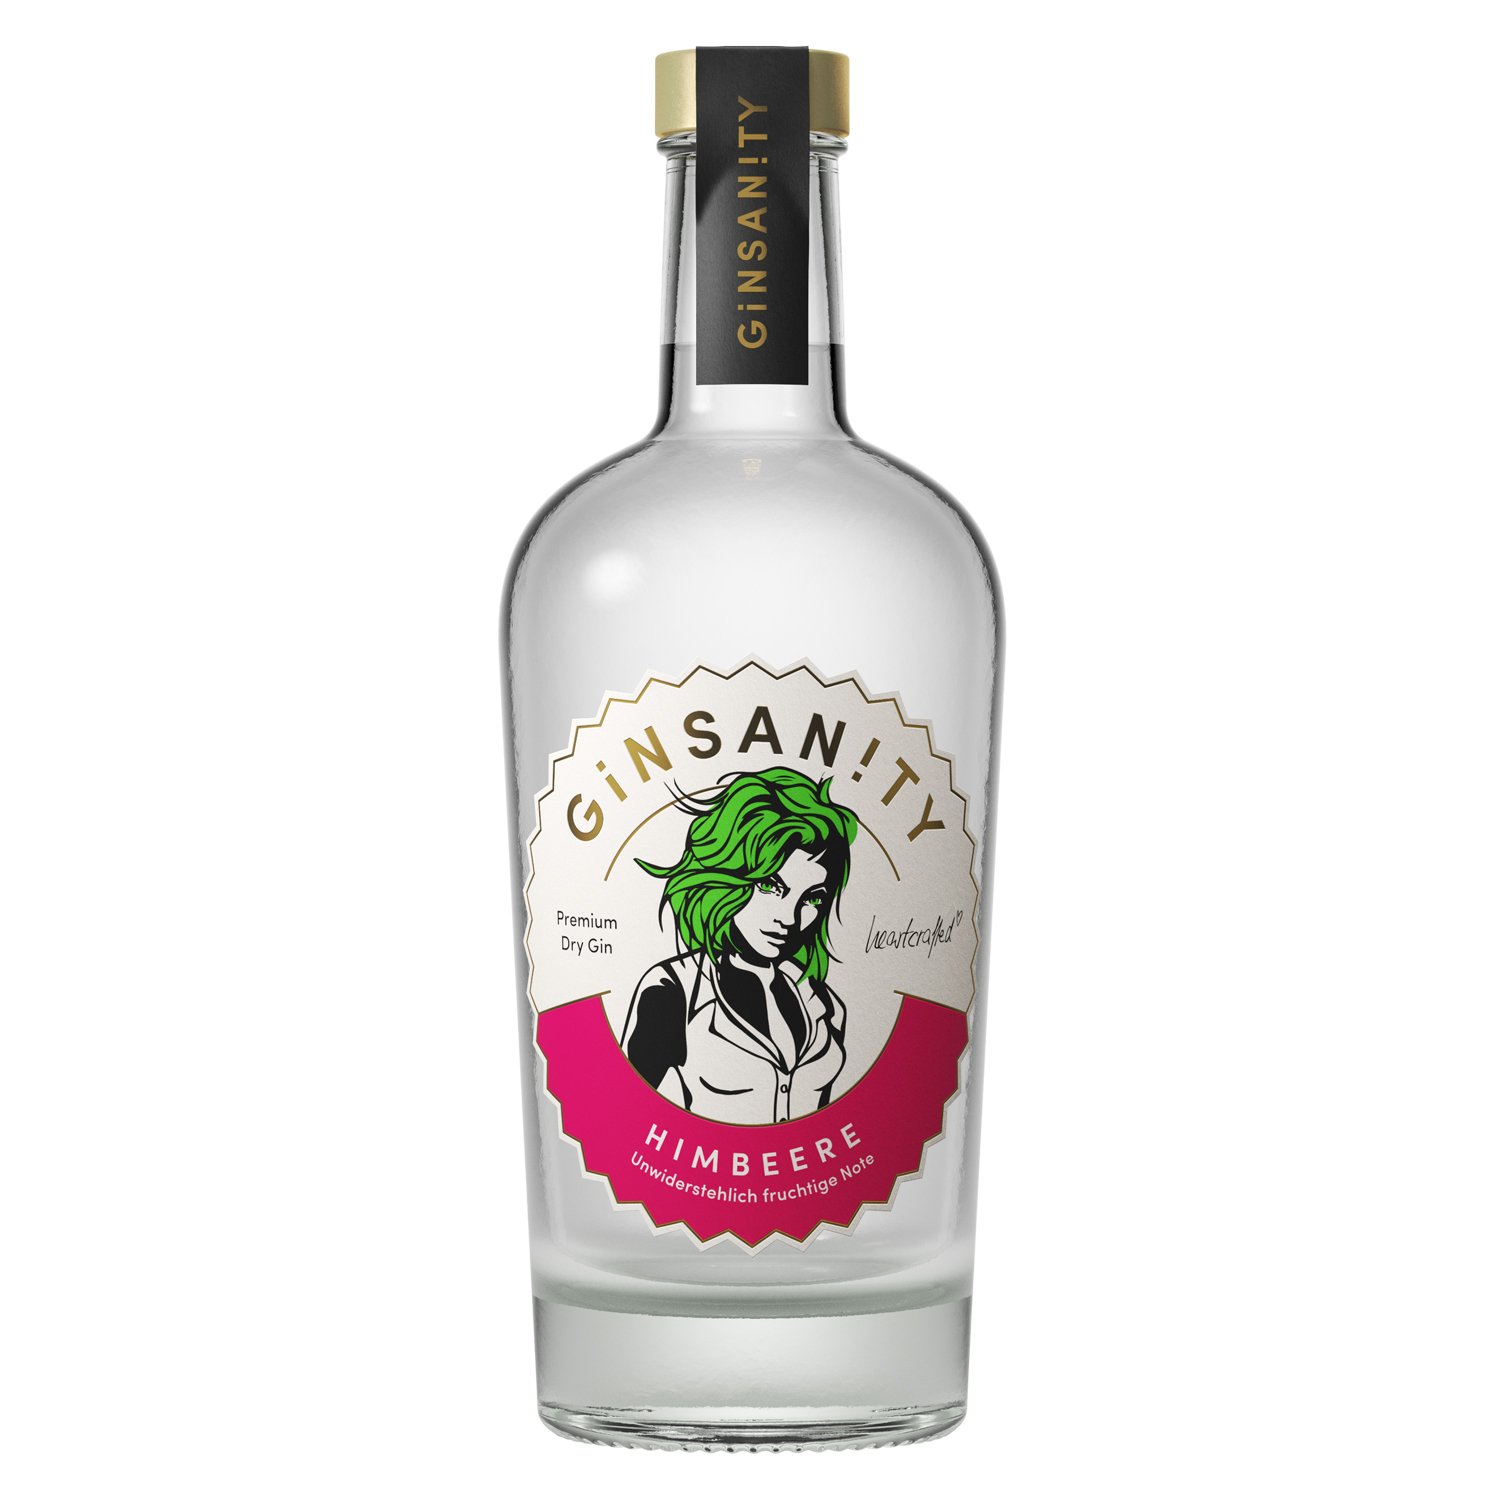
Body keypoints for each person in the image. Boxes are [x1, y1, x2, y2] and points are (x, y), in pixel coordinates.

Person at [621, 767, 858, 1125]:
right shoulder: (673, 991)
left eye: (811, 898)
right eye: (771, 886)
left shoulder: (825, 1004)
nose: (790, 918)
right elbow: (622, 1118)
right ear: (728, 878)